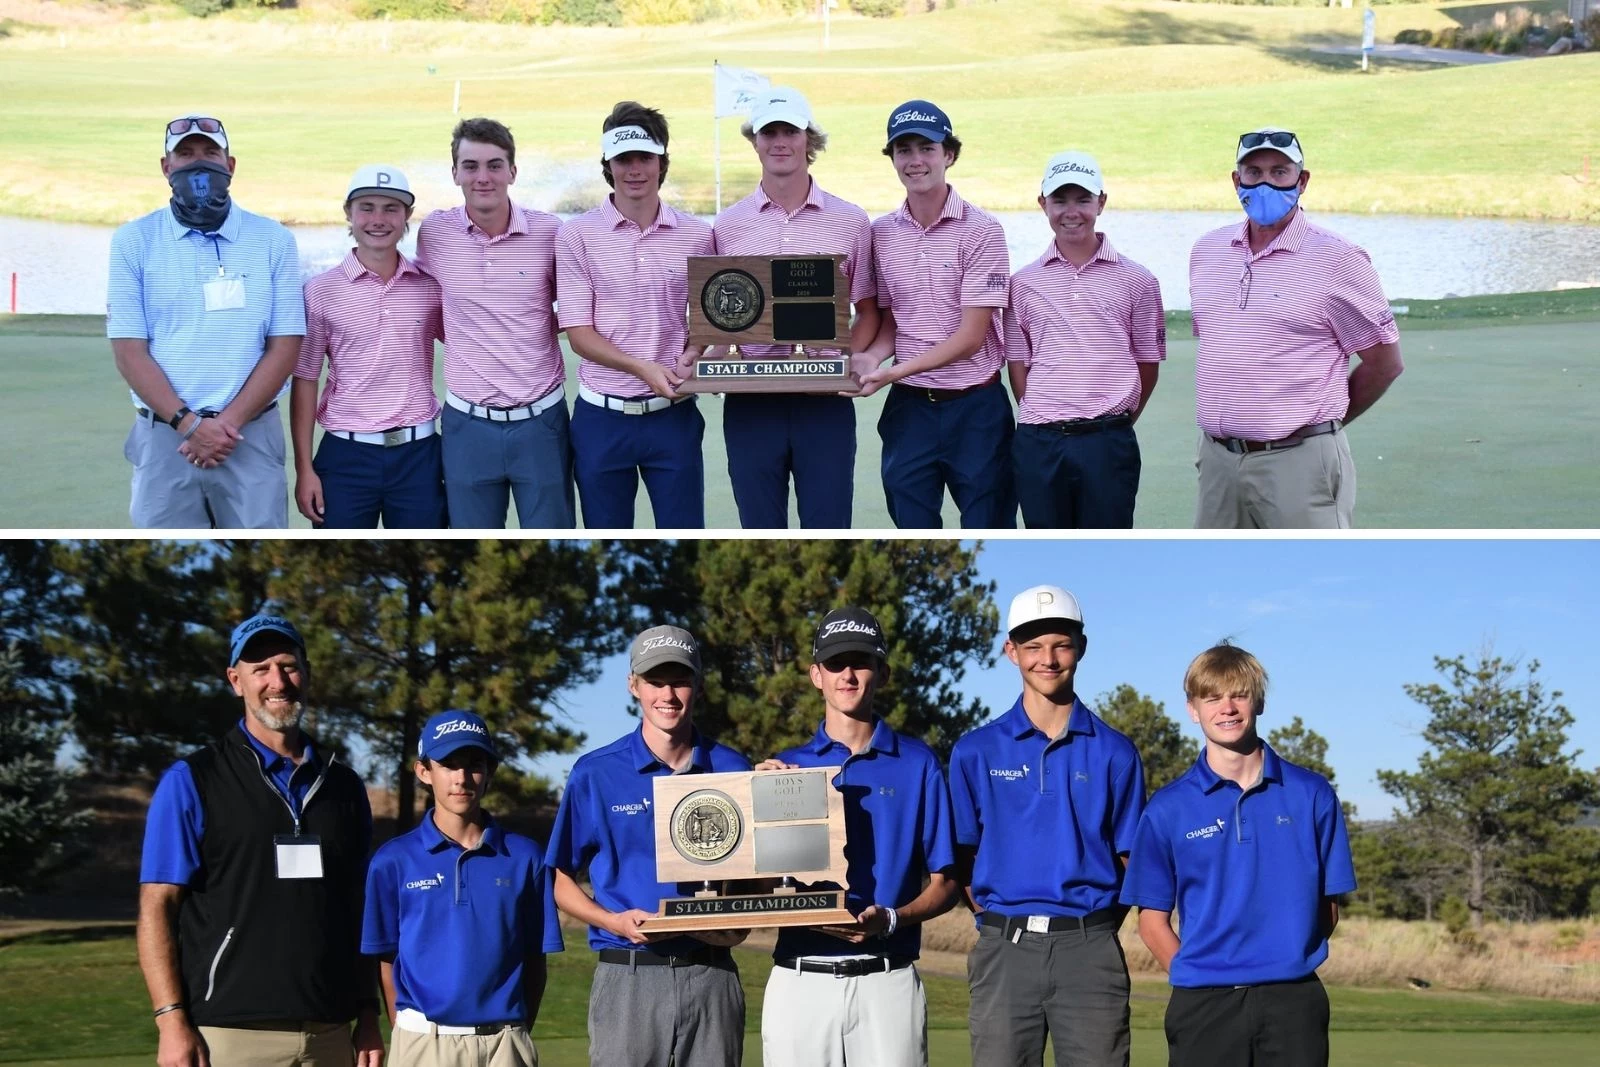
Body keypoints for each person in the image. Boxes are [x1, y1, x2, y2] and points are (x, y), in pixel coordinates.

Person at [136, 614, 381, 1067]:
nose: (278, 681)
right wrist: (170, 1021)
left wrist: (368, 1013)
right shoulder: (193, 780)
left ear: (306, 673)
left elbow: (359, 909)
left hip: (330, 1032)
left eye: (288, 666)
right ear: (236, 681)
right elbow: (158, 906)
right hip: (229, 1035)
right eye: (260, 669)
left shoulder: (344, 786)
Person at [1120, 643, 1357, 1067]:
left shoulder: (1311, 794)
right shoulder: (1167, 808)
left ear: (1258, 701)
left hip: (1293, 1002)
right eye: (1211, 697)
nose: (1226, 708)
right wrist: (1201, 973)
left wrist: (1284, 959)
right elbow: (1152, 921)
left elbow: (1329, 910)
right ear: (1193, 709)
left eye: (1238, 694)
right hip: (1203, 1006)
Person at [948, 585, 1145, 1067]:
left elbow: (1131, 859)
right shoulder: (975, 750)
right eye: (1033, 646)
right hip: (1004, 950)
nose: (1048, 659)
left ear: (1080, 647)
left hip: (1091, 950)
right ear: (1011, 651)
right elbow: (963, 856)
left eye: (1060, 644)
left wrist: (1091, 929)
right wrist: (998, 922)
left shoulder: (1116, 751)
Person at [758, 607, 959, 1067]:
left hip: (887, 979)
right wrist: (754, 803)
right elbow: (759, 884)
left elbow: (945, 882)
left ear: (882, 672)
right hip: (800, 978)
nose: (847, 674)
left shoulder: (918, 763)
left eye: (860, 662)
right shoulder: (784, 769)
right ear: (816, 675)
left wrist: (890, 919)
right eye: (834, 664)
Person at [545, 625, 751, 1067]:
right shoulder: (595, 772)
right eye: (656, 680)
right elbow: (560, 880)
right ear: (633, 685)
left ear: (698, 684)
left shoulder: (734, 768)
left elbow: (755, 874)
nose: (668, 695)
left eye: (680, 680)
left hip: (711, 973)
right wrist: (612, 921)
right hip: (629, 977)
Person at [1189, 127, 1404, 529]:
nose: (1265, 182)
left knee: (1313, 578)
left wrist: (1321, 427)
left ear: (1302, 181)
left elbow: (1384, 363)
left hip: (1301, 461)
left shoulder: (1339, 259)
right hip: (1218, 462)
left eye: (1280, 171)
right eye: (1253, 172)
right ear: (1236, 181)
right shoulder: (1207, 251)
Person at [108, 113, 305, 528]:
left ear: (230, 165)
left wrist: (224, 425)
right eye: (185, 155)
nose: (199, 164)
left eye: (210, 153)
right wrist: (189, 424)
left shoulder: (273, 240)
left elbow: (285, 346)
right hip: (165, 438)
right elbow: (129, 352)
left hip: (248, 435)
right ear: (166, 167)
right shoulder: (133, 241)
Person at [706, 86, 879, 529]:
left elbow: (870, 310)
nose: (779, 141)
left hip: (824, 403)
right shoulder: (728, 225)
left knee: (830, 527)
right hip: (751, 404)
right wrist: (716, 358)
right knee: (758, 529)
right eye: (769, 132)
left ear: (809, 139)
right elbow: (723, 317)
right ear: (755, 141)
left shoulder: (851, 220)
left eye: (790, 131)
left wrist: (842, 360)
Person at [362, 709, 563, 1067]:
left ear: (489, 773)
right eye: (448, 764)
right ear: (424, 772)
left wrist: (514, 1033)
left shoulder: (525, 856)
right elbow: (386, 959)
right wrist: (410, 1032)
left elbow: (535, 961)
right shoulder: (393, 860)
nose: (461, 777)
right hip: (423, 1042)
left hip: (505, 1044)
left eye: (474, 764)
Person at [856, 100, 1015, 529]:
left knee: (988, 528)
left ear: (949, 154)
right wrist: (871, 358)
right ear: (892, 159)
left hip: (976, 407)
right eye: (903, 150)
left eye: (927, 148)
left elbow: (972, 338)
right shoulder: (881, 233)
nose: (915, 160)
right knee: (911, 529)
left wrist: (891, 371)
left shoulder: (982, 230)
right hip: (909, 412)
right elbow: (892, 320)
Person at [557, 102, 714, 529]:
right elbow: (578, 333)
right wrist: (639, 367)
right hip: (600, 420)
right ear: (608, 164)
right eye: (623, 159)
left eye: (645, 157)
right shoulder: (576, 234)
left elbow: (710, 321)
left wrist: (697, 352)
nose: (635, 169)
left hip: (673, 416)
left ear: (662, 162)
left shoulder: (698, 235)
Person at [416, 117, 574, 529]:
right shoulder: (435, 232)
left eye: (494, 165)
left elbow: (575, 308)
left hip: (541, 423)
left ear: (513, 172)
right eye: (470, 166)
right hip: (467, 426)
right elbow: (431, 305)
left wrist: (524, 325)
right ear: (454, 173)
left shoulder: (550, 233)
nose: (482, 177)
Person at [1005, 154, 1165, 529]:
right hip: (1039, 442)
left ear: (1102, 203)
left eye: (1083, 200)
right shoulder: (1023, 283)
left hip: (1108, 442)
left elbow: (1147, 364)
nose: (1071, 211)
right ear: (1042, 204)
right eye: (1060, 200)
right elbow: (1018, 364)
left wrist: (1115, 421)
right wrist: (1043, 415)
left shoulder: (1138, 280)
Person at [292, 165, 446, 529]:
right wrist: (304, 469)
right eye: (367, 207)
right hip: (346, 456)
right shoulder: (320, 291)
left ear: (407, 215)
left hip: (419, 455)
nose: (379, 219)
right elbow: (305, 378)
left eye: (391, 208)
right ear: (348, 213)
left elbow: (469, 342)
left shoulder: (429, 287)